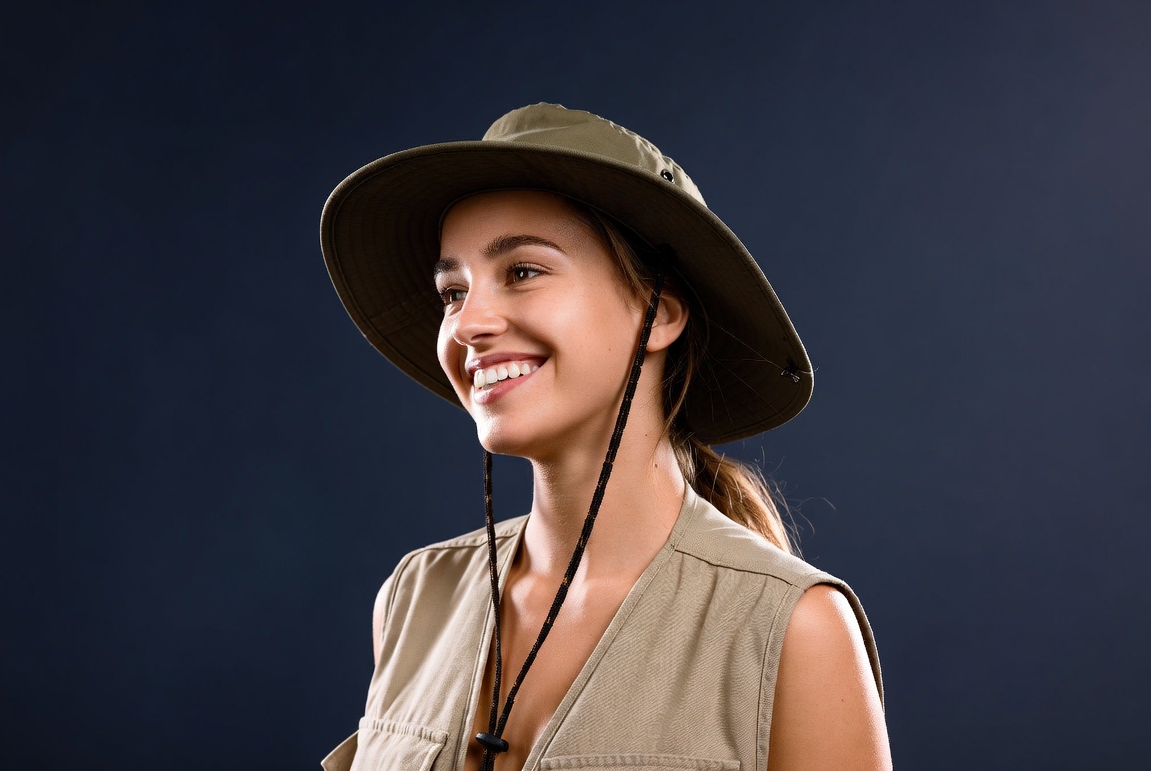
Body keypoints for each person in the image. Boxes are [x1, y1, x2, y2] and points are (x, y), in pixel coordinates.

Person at [319, 104, 891, 771]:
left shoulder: (795, 630)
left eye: (523, 271)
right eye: (452, 292)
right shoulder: (417, 597)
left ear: (660, 315)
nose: (468, 323)